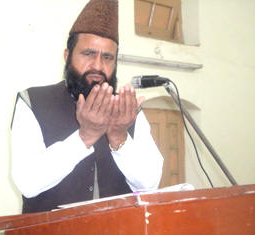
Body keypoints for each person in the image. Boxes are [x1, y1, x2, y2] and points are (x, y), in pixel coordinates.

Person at [11, 0, 163, 214]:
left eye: (107, 57)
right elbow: (28, 182)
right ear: (67, 57)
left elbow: (150, 184)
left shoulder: (129, 110)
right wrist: (85, 137)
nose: (98, 66)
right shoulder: (33, 102)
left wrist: (120, 137)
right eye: (88, 54)